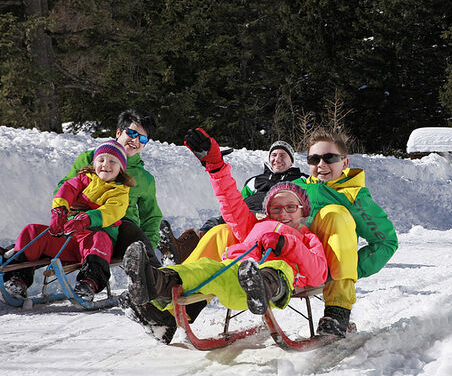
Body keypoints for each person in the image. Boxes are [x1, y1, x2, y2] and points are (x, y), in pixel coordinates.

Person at [120, 128, 328, 345]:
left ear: (303, 212)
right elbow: (231, 202)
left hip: (273, 284)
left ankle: (261, 286)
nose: (283, 213)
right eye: (276, 208)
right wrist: (215, 166)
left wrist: (287, 244)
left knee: (279, 267)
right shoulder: (254, 224)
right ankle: (155, 282)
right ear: (267, 212)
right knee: (205, 269)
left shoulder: (306, 237)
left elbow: (318, 273)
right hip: (236, 273)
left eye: (291, 207)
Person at [294, 128, 398, 337]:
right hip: (290, 263)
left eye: (329, 158)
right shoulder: (295, 188)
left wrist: (349, 268)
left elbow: (386, 242)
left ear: (345, 162)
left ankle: (337, 312)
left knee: (335, 214)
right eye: (314, 159)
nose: (321, 165)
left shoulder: (354, 197)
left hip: (328, 270)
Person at [4, 140, 134, 302]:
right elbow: (66, 189)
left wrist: (86, 219)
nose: (105, 165)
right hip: (68, 239)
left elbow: (111, 211)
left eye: (112, 161)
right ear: (94, 163)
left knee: (100, 238)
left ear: (121, 167)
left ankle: (89, 283)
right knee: (32, 231)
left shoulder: (120, 191)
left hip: (92, 244)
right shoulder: (83, 179)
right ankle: (18, 279)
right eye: (101, 160)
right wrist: (59, 212)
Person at [158, 140, 306, 264]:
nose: (277, 158)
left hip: (268, 218)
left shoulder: (300, 180)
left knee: (224, 230)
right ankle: (181, 250)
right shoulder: (255, 181)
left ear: (291, 161)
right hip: (244, 214)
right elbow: (236, 200)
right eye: (274, 154)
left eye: (283, 155)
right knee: (215, 222)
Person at [58, 109, 162, 267]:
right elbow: (64, 187)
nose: (135, 141)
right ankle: (15, 274)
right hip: (83, 221)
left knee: (130, 229)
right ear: (119, 132)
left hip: (121, 230)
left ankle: (158, 280)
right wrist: (67, 208)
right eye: (132, 133)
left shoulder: (143, 178)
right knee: (38, 235)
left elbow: (151, 217)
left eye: (142, 139)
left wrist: (149, 247)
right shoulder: (91, 159)